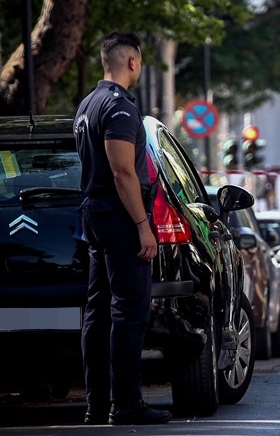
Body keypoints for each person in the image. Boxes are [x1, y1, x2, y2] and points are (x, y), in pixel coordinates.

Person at [74, 32, 171, 425]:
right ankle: (126, 403)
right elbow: (122, 171)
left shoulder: (87, 104)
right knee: (129, 313)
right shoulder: (118, 108)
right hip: (118, 219)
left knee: (97, 315)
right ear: (132, 62)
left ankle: (97, 404)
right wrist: (143, 226)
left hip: (95, 218)